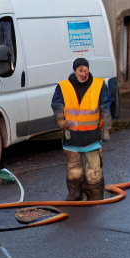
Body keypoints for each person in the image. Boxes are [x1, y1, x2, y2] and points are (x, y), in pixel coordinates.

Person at [50, 56, 111, 200]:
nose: (84, 73)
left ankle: (95, 196)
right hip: (72, 137)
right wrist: (60, 120)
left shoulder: (99, 85)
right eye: (81, 70)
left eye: (86, 70)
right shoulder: (63, 86)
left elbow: (106, 108)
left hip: (92, 137)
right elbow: (57, 104)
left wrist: (106, 129)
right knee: (74, 170)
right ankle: (74, 195)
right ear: (75, 71)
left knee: (93, 171)